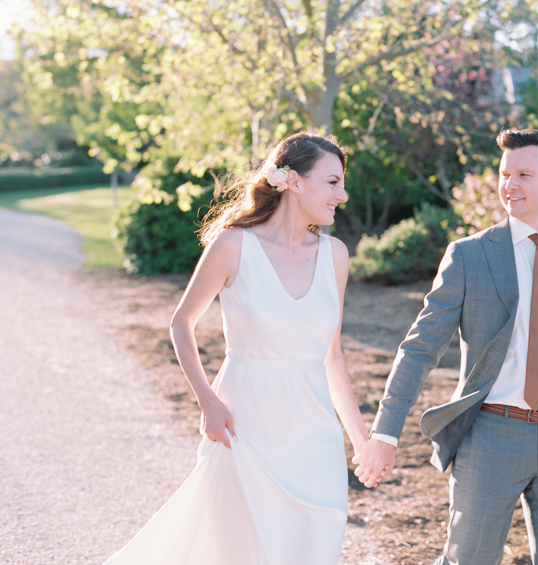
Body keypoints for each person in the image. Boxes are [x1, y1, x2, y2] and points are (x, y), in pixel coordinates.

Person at [353, 129, 538, 564]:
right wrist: (385, 433)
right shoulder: (469, 255)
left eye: (523, 175)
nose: (509, 185)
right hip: (491, 437)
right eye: (504, 174)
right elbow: (420, 348)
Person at [103, 132, 371, 565]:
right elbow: (181, 324)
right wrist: (207, 401)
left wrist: (360, 441)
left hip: (315, 435)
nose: (343, 195)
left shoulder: (335, 254)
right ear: (295, 182)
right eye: (333, 182)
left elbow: (332, 356)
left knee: (314, 544)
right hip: (244, 426)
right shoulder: (232, 245)